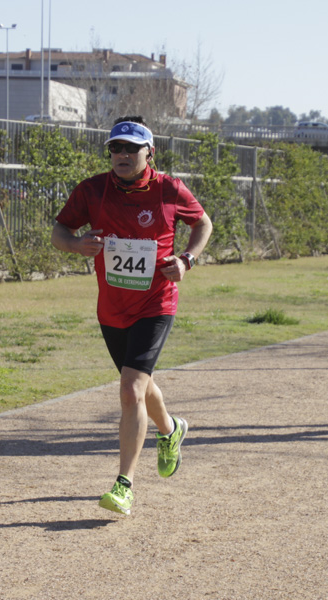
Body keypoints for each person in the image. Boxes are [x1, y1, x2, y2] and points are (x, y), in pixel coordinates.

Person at [52, 116, 213, 515]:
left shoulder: (170, 189)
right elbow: (60, 232)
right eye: (115, 148)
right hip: (112, 307)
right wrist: (78, 246)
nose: (121, 155)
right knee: (140, 385)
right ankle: (171, 430)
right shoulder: (92, 190)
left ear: (149, 153)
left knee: (130, 389)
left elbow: (203, 222)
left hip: (156, 301)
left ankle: (124, 484)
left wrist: (187, 259)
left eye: (130, 148)